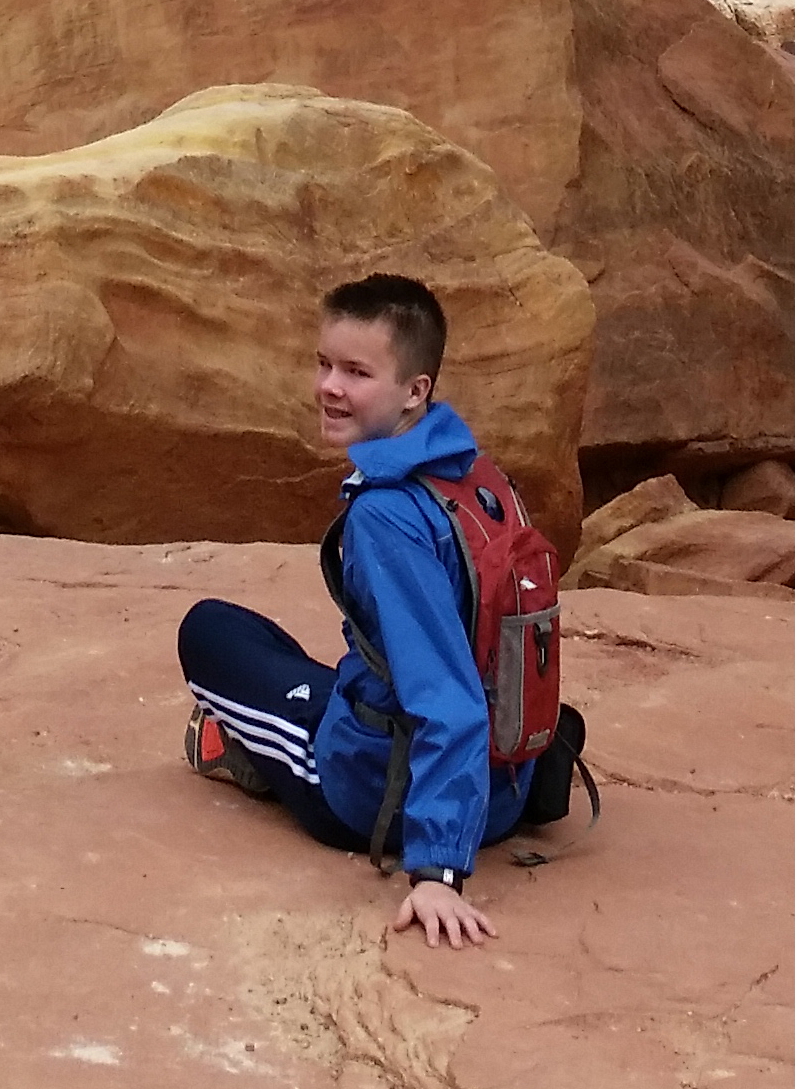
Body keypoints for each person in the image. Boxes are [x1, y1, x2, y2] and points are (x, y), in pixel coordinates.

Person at [175, 270, 591, 948]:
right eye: (324, 364)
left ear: (414, 391)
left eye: (357, 372)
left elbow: (446, 693)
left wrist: (437, 871)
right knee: (297, 652)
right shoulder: (478, 477)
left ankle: (236, 746)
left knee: (210, 632)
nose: (329, 387)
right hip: (505, 787)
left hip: (377, 800)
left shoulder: (387, 517)